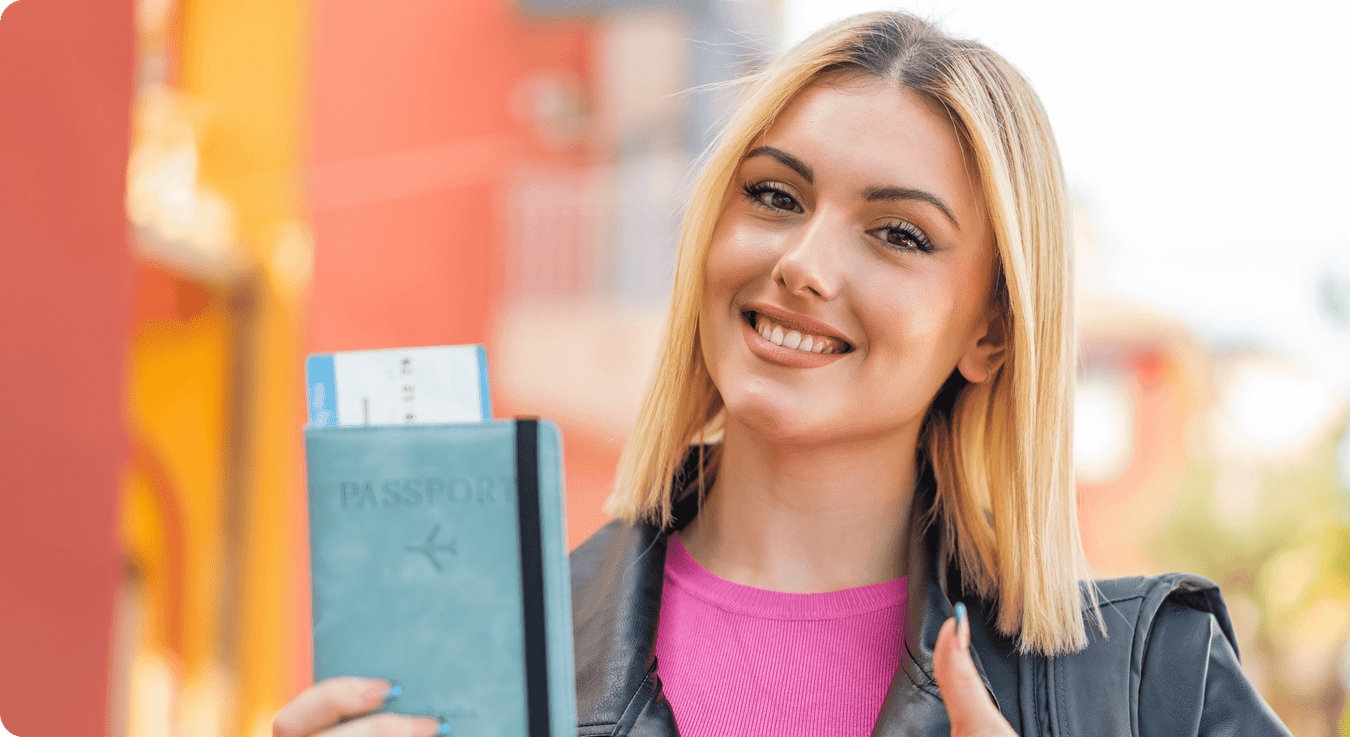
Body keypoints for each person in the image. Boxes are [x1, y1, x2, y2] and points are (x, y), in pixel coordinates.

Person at [274, 11, 1291, 737]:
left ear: (988, 333)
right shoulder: (497, 656)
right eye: (773, 195)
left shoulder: (1151, 681)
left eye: (897, 233)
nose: (803, 262)